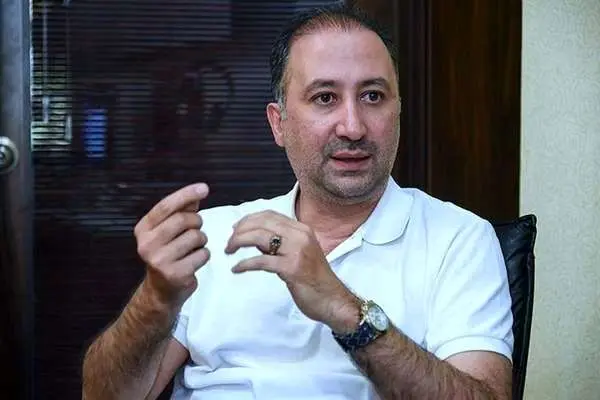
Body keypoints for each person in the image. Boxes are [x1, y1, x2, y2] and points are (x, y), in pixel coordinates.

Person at [82, 4, 514, 399]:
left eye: (373, 96)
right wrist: (154, 300)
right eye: (325, 98)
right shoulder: (214, 236)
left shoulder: (458, 239)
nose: (353, 127)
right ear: (279, 124)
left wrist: (344, 309)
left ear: (398, 112)